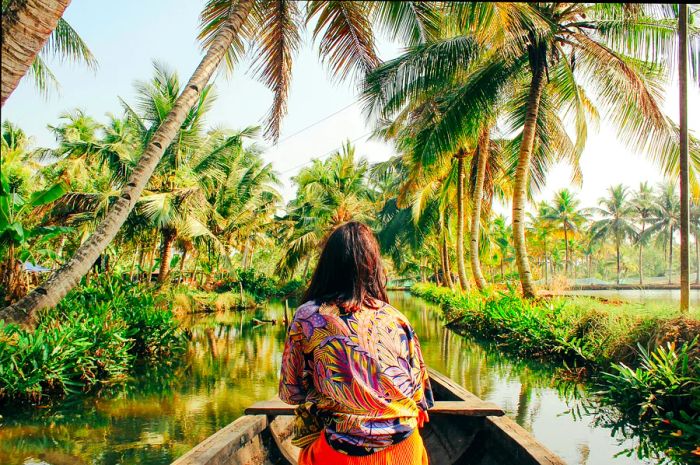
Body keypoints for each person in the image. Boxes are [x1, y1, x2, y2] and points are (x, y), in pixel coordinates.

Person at [279, 221, 433, 465]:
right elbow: (421, 400)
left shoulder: (307, 316)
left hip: (342, 454)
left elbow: (291, 393)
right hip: (406, 449)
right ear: (373, 267)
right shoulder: (397, 318)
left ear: (326, 267)